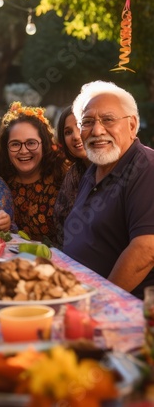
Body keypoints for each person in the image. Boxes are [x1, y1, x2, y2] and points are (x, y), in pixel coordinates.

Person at [63, 80, 154, 299]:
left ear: (132, 126)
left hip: (122, 309)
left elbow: (146, 249)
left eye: (108, 120)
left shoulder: (146, 167)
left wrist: (99, 300)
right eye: (87, 122)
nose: (97, 130)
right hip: (78, 295)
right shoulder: (94, 168)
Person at [0, 101, 69, 247]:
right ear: (6, 148)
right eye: (15, 144)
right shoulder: (0, 183)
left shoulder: (63, 180)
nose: (23, 151)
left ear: (44, 144)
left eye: (31, 143)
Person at [53, 105, 90, 248]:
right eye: (68, 132)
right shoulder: (73, 173)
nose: (75, 136)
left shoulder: (114, 169)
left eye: (81, 126)